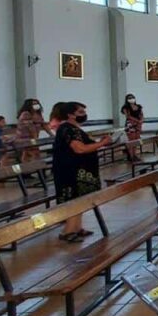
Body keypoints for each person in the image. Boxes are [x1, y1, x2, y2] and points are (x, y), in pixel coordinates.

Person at [52, 102, 112, 242]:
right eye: (80, 112)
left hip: (80, 170)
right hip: (71, 171)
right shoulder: (67, 129)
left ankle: (77, 228)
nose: (84, 114)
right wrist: (102, 143)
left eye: (84, 111)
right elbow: (79, 149)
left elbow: (85, 145)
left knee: (81, 199)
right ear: (70, 115)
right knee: (74, 200)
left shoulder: (74, 128)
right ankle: (68, 231)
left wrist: (99, 142)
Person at [16, 98, 53, 163]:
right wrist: (35, 138)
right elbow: (30, 127)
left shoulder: (38, 114)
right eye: (34, 104)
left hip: (33, 137)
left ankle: (27, 167)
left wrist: (51, 134)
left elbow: (43, 125)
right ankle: (33, 167)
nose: (36, 105)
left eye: (37, 103)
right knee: (34, 153)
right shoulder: (26, 114)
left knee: (27, 154)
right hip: (25, 137)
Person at [120, 93, 144, 160]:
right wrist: (137, 121)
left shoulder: (139, 106)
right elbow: (128, 116)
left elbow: (141, 114)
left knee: (136, 140)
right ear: (127, 100)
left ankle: (135, 155)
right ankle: (131, 156)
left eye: (132, 97)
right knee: (131, 141)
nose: (131, 99)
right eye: (130, 98)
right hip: (130, 124)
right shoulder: (125, 107)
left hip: (138, 124)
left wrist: (141, 121)